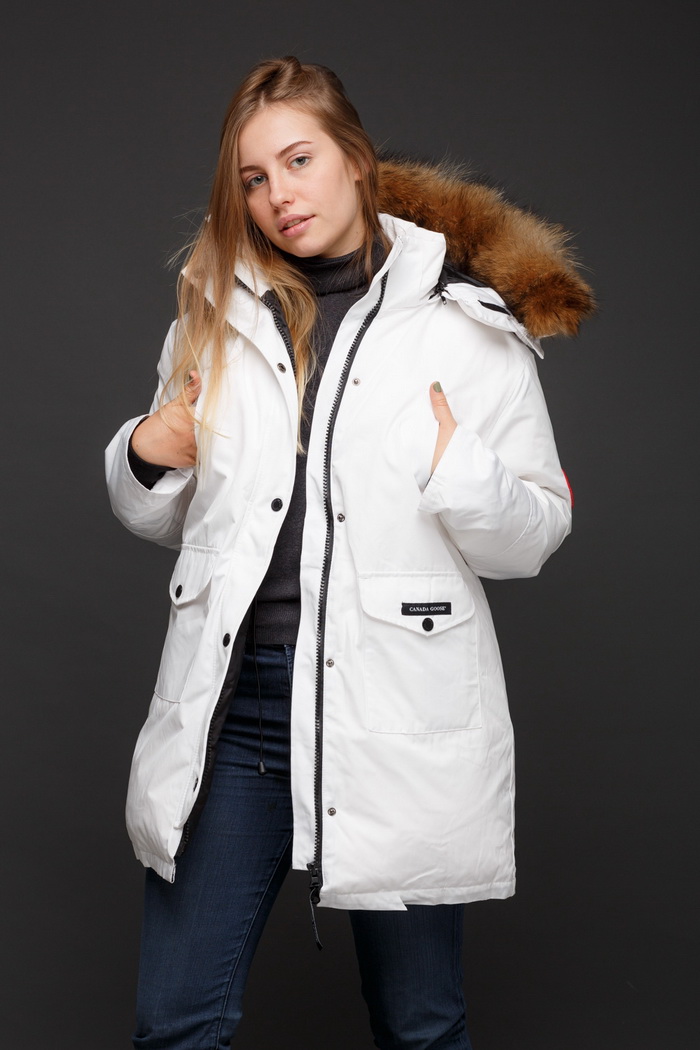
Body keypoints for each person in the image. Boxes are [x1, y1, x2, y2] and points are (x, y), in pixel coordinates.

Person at [106, 56, 593, 1050]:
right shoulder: (213, 312)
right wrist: (148, 450)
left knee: (421, 1025)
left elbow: (534, 534)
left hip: (394, 706)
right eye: (254, 178)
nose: (279, 195)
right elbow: (167, 520)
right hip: (236, 707)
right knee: (176, 1024)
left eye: (300, 160)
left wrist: (458, 469)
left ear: (357, 160)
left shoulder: (465, 325)